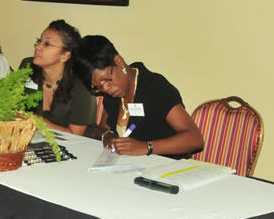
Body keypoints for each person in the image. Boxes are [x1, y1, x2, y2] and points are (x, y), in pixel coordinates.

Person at [72, 35, 204, 159]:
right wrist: (107, 135)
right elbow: (103, 127)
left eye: (107, 80)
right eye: (97, 87)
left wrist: (147, 147)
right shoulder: (113, 93)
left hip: (164, 169)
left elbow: (195, 139)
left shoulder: (155, 88)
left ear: (118, 61)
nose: (105, 89)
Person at [18, 20, 98, 136]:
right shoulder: (27, 66)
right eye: (39, 41)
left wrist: (35, 120)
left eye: (47, 44)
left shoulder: (81, 82)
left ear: (65, 55)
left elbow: (75, 134)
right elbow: (13, 108)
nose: (38, 47)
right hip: (33, 141)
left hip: (76, 147)